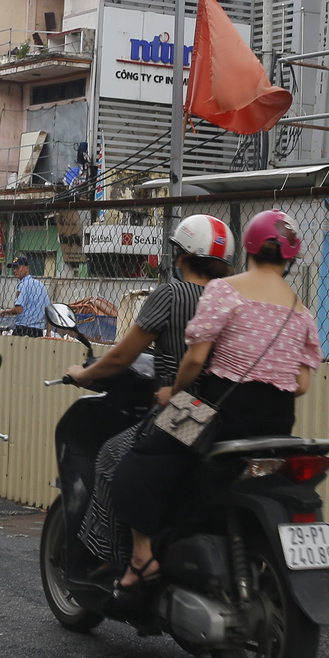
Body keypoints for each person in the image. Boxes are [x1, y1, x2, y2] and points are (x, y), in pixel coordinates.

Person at [109, 209, 322, 590]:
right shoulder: (302, 312)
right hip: (277, 423)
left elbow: (194, 359)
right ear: (290, 258)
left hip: (212, 410)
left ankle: (141, 558)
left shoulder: (225, 290)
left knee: (134, 465)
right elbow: (301, 384)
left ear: (251, 248)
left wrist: (173, 394)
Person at [70, 214, 233, 567]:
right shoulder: (231, 300)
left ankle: (123, 562)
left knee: (112, 458)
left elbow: (121, 356)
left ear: (181, 256)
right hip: (222, 412)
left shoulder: (172, 294)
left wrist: (85, 375)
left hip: (185, 409)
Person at [3, 254, 50, 337]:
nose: (15, 270)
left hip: (23, 330)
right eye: (14, 268)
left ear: (27, 268)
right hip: (38, 332)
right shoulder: (41, 286)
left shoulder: (23, 285)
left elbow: (19, 310)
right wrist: (48, 333)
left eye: (18, 267)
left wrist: (5, 312)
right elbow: (49, 312)